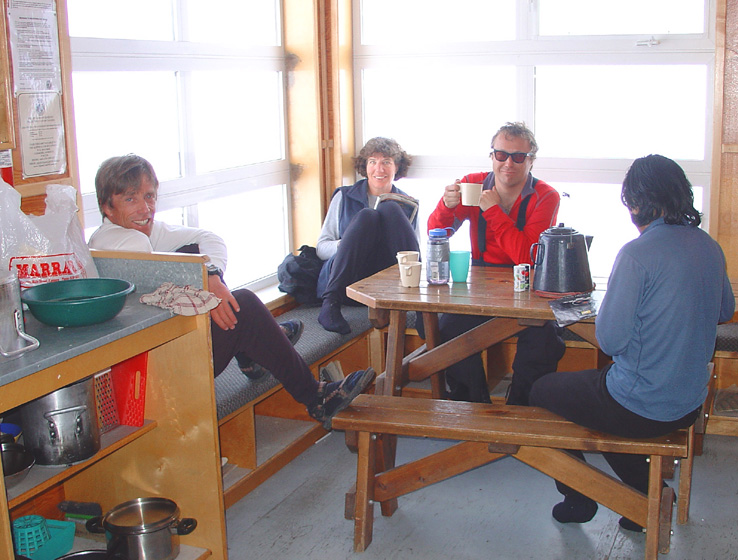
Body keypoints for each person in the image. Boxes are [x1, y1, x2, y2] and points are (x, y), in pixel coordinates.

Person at [88, 154, 375, 429]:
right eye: (130, 199)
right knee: (245, 305)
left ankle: (252, 346)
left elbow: (208, 238)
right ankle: (315, 397)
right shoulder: (120, 244)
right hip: (153, 376)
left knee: (214, 278)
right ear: (107, 207)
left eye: (149, 196)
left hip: (170, 349)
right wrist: (207, 286)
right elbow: (162, 292)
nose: (144, 208)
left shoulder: (144, 231)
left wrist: (212, 276)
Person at [529, 154, 735, 531]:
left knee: (541, 391)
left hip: (641, 404)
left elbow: (610, 339)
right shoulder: (709, 246)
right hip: (689, 400)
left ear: (636, 204)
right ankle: (644, 498)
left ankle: (580, 496)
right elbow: (725, 309)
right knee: (599, 397)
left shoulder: (636, 254)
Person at [425, 121, 564, 403]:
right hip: (480, 285)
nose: (508, 163)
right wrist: (446, 205)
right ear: (492, 157)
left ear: (531, 161)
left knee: (544, 338)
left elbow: (526, 255)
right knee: (443, 325)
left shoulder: (546, 196)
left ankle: (521, 408)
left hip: (526, 287)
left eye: (518, 157)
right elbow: (436, 233)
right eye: (501, 155)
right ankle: (474, 404)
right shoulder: (473, 184)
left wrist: (494, 212)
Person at [317, 137, 419, 335]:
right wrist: (349, 243)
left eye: (386, 162)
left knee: (390, 208)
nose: (379, 169)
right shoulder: (344, 196)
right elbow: (321, 248)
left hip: (383, 282)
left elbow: (413, 253)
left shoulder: (408, 204)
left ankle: (421, 306)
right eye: (373, 162)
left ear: (396, 167)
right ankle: (330, 304)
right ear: (365, 166)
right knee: (367, 217)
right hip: (346, 279)